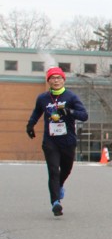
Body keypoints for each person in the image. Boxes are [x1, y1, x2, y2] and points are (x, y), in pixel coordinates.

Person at [26, 67, 89, 217]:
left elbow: (84, 115)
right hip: (50, 141)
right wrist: (30, 125)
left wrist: (69, 112)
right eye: (52, 78)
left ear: (63, 80)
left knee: (66, 169)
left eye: (59, 78)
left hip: (68, 140)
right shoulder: (43, 98)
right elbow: (36, 112)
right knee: (53, 170)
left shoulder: (71, 97)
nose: (56, 81)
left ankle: (59, 186)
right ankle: (55, 202)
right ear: (48, 81)